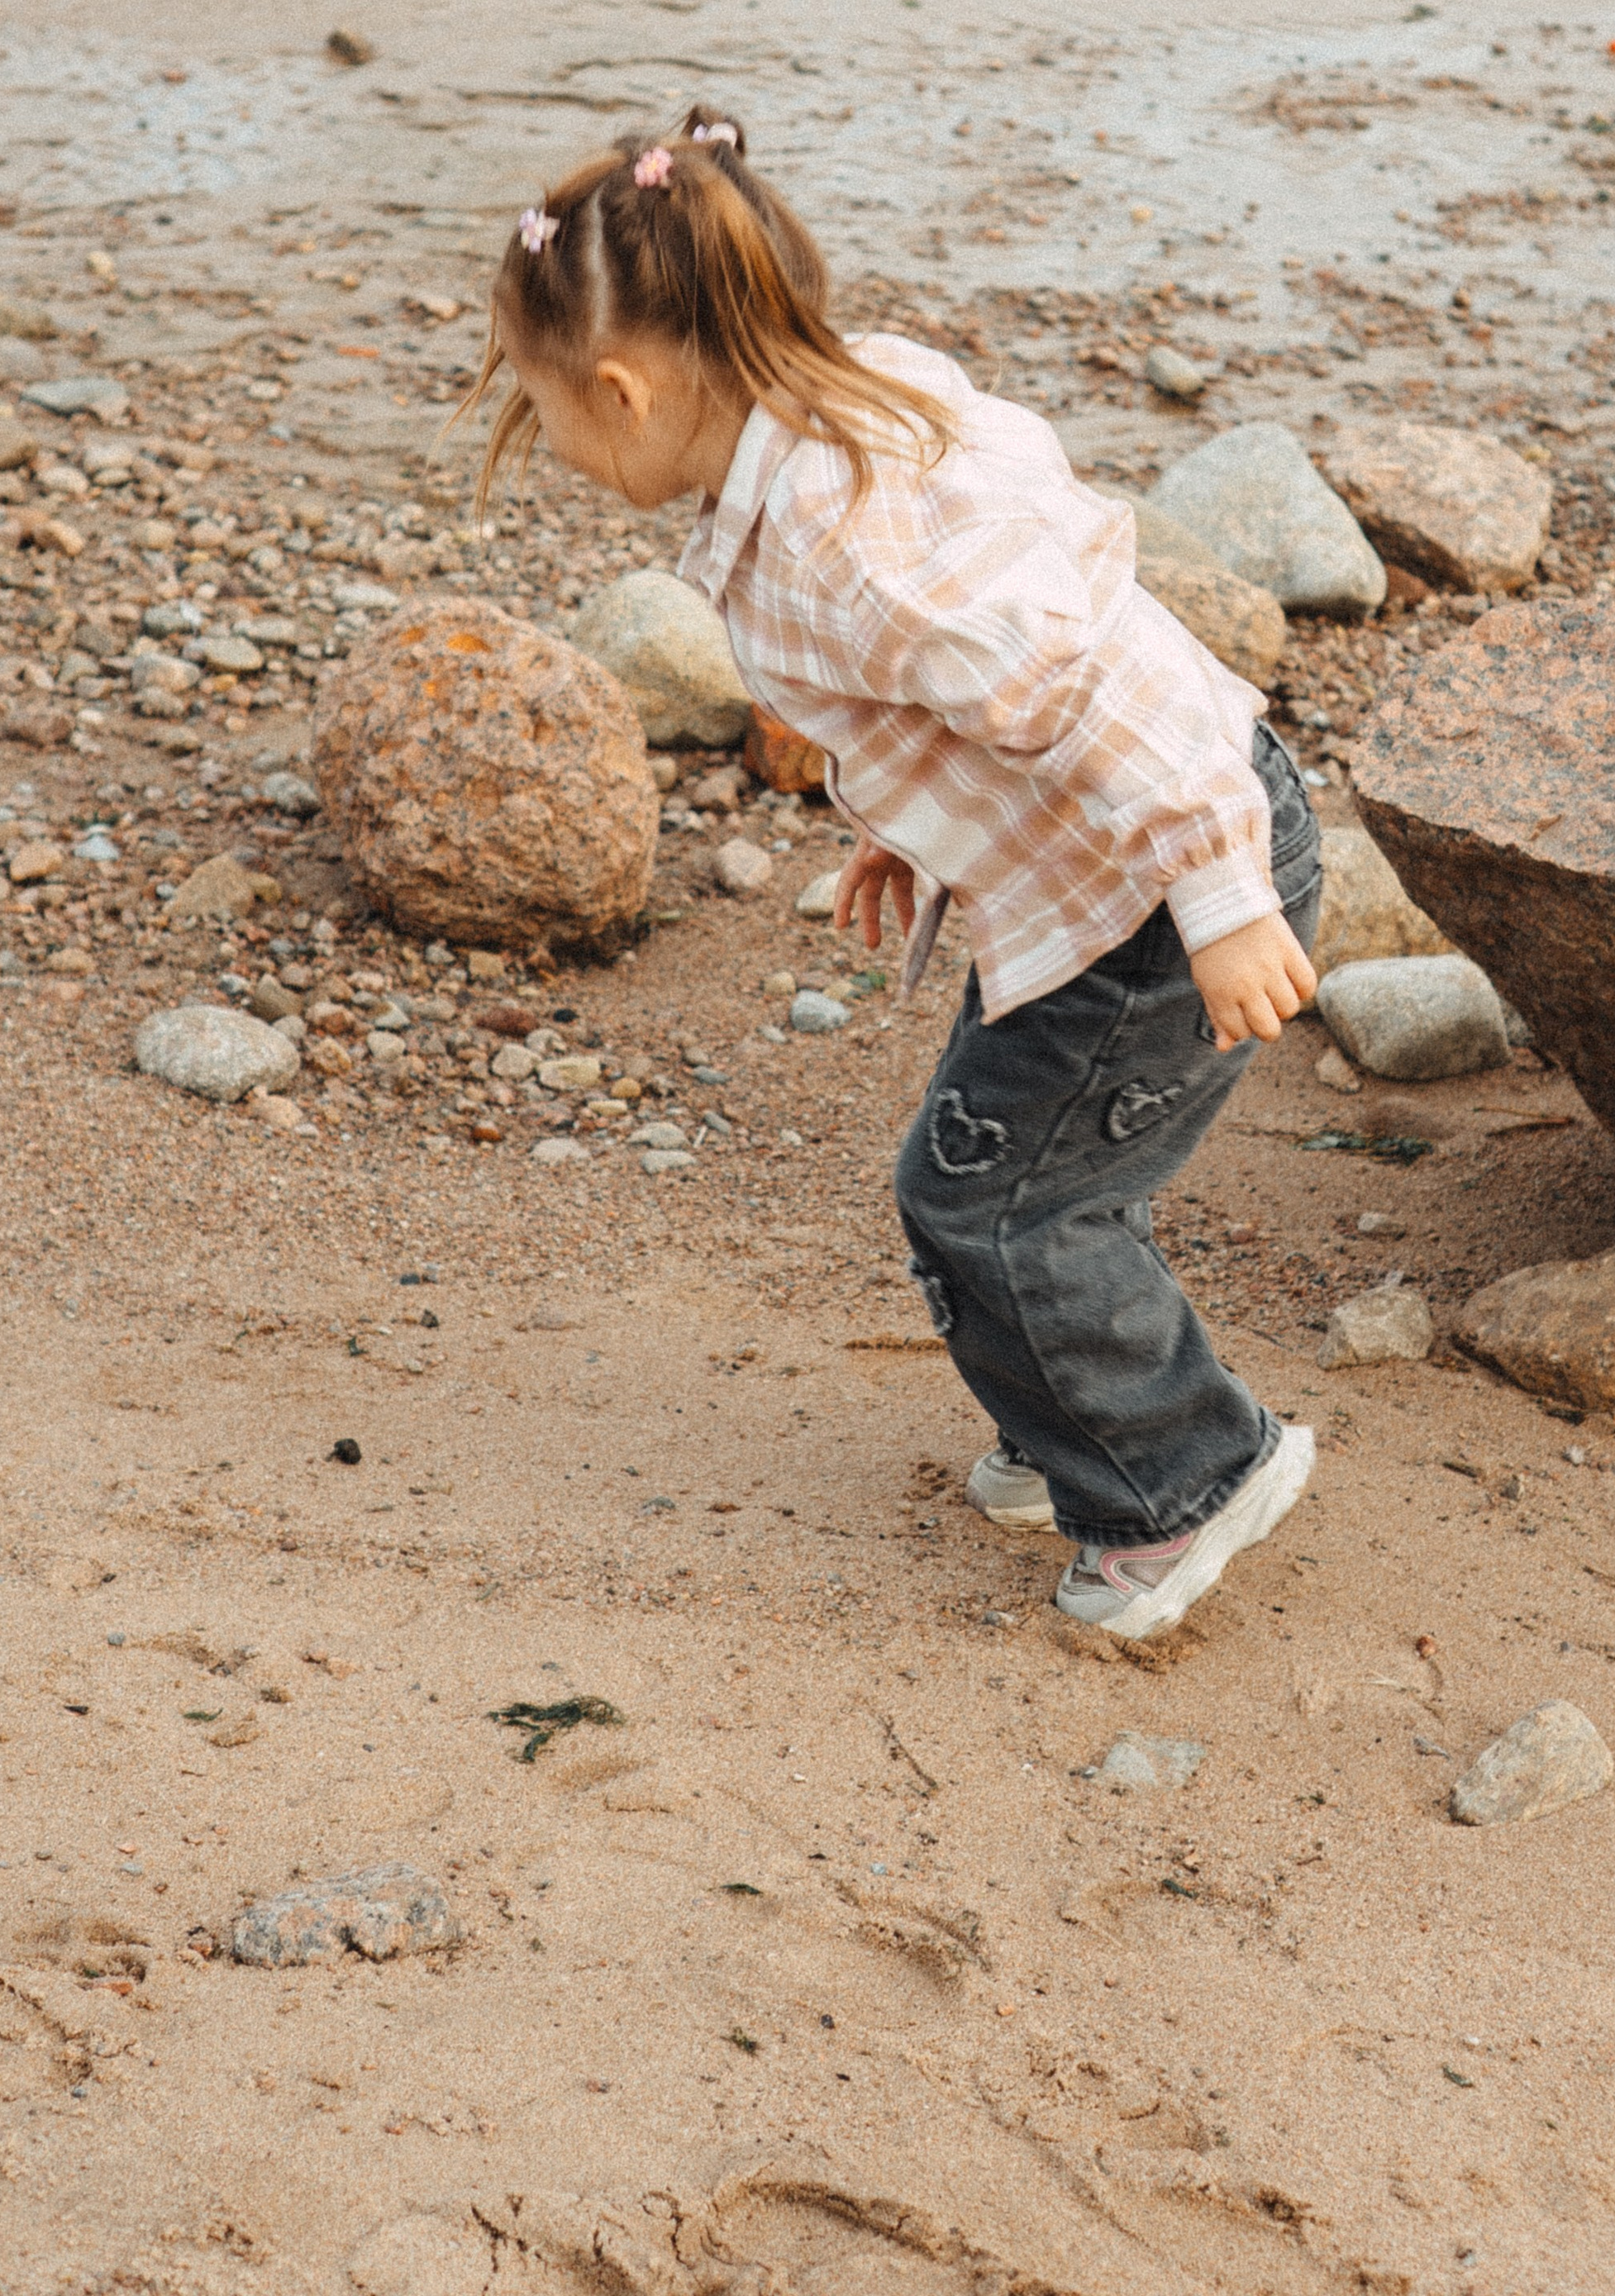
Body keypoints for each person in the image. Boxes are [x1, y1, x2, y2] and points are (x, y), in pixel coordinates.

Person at [470, 107, 1324, 1640]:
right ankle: (1072, 1419)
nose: (559, 455)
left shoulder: (839, 545)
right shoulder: (846, 406)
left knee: (994, 1202)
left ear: (620, 389)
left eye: (543, 415)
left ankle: (1183, 1477)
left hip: (1160, 885)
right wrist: (914, 823)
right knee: (1007, 1169)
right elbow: (962, 688)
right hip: (1087, 871)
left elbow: (1092, 681)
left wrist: (1221, 896)